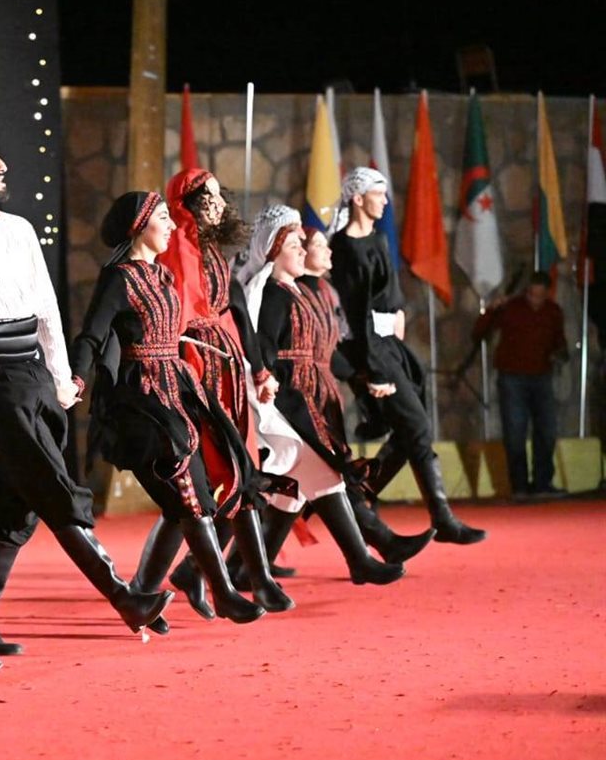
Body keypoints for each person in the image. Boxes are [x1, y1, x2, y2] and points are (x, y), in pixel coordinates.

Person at [0, 134, 172, 655]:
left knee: (16, 501)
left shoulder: (20, 230)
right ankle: (123, 595)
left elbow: (46, 309)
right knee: (51, 484)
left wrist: (61, 375)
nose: (2, 165)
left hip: (33, 375)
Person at [70, 191, 271, 624]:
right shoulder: (118, 279)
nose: (172, 225)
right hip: (142, 398)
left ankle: (143, 597)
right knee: (187, 495)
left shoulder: (162, 274)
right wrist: (76, 380)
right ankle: (223, 592)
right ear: (138, 226)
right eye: (163, 217)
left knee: (193, 497)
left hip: (177, 388)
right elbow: (91, 335)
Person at [131, 168, 297, 627]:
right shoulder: (178, 251)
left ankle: (232, 578)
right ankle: (234, 579)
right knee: (203, 484)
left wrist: (255, 368)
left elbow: (233, 310)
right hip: (196, 373)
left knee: (220, 479)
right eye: (212, 197)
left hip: (224, 368)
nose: (221, 205)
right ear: (189, 203)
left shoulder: (210, 251)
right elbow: (179, 320)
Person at [242, 210, 405, 586]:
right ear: (274, 250)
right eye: (294, 245)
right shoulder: (272, 295)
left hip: (306, 395)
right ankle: (360, 561)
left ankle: (236, 569)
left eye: (303, 244)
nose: (303, 251)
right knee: (324, 475)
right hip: (288, 399)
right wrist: (266, 377)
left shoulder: (296, 292)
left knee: (293, 490)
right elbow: (263, 345)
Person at [329, 167, 487, 545]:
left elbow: (389, 295)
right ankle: (442, 518)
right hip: (371, 349)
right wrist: (371, 370)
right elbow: (354, 314)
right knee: (416, 427)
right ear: (357, 199)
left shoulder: (379, 240)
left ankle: (363, 493)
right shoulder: (344, 247)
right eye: (378, 194)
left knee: (410, 429)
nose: (385, 201)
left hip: (392, 345)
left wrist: (396, 321)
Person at [472, 272, 569, 498]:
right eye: (531, 295)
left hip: (542, 376)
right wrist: (492, 310)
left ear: (547, 293)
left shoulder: (553, 311)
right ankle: (520, 486)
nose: (535, 300)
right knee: (515, 431)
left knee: (547, 431)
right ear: (527, 291)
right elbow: (479, 333)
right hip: (512, 377)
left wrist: (560, 354)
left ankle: (542, 484)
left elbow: (559, 342)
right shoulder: (511, 308)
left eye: (540, 296)